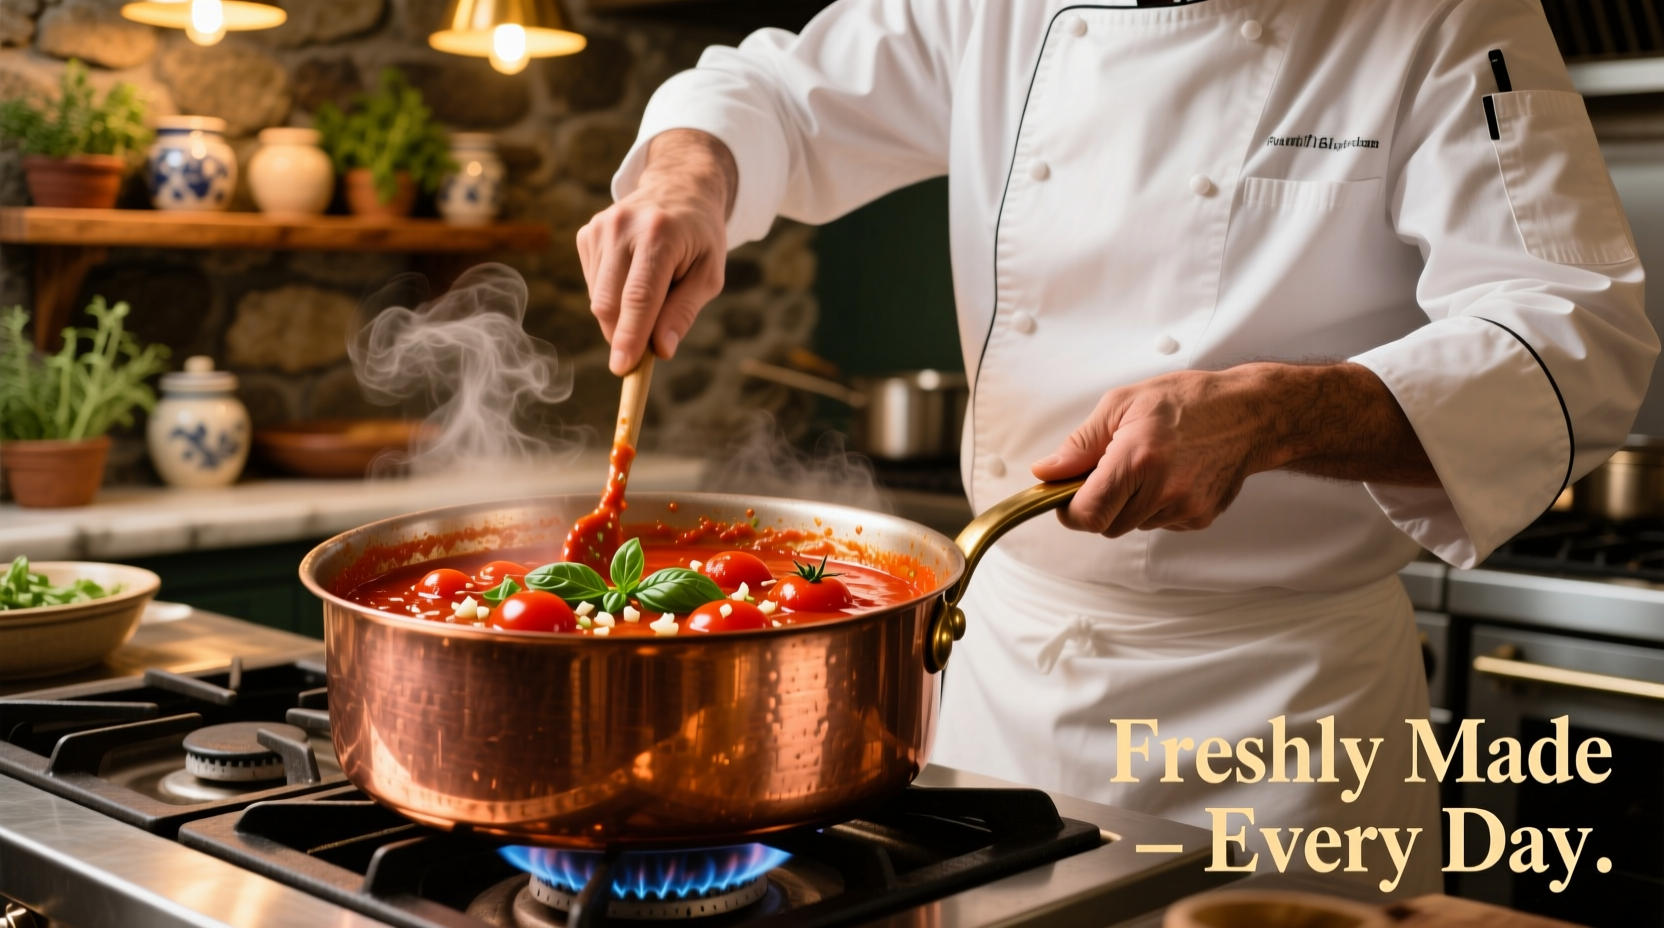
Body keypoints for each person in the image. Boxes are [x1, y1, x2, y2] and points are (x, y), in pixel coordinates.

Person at [575, 0, 1656, 896]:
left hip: (1284, 729)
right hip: (997, 700)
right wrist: (686, 180)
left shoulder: (1443, 16)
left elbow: (1578, 338)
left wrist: (1270, 413)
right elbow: (773, 91)